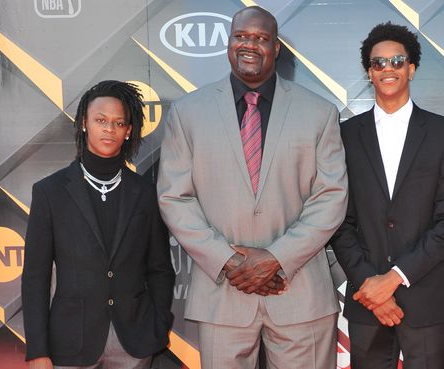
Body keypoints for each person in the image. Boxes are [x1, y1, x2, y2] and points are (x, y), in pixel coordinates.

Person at [156, 6, 347, 369]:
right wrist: (230, 262)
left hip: (300, 292)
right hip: (224, 295)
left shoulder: (319, 112)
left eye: (261, 39)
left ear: (276, 48)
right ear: (228, 43)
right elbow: (174, 198)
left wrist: (275, 259)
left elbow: (331, 197)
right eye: (241, 36)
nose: (250, 45)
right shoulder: (188, 112)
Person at [330, 22, 444, 369]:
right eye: (378, 63)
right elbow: (337, 220)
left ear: (412, 68)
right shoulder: (344, 135)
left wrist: (393, 279)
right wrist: (369, 287)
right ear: (369, 72)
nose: (387, 69)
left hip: (425, 298)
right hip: (366, 300)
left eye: (397, 61)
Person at [22, 80, 175, 369]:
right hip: (69, 343)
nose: (109, 129)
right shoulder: (49, 192)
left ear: (129, 130)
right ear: (84, 123)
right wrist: (37, 350)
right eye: (101, 120)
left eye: (119, 123)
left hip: (134, 341)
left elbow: (160, 269)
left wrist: (157, 323)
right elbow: (35, 278)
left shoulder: (143, 193)